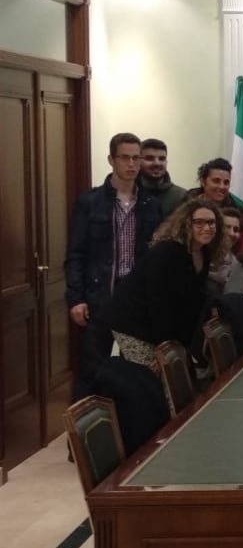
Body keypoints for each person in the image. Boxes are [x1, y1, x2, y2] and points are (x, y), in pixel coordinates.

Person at [65, 132, 163, 396]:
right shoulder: (90, 202)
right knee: (92, 367)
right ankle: (87, 432)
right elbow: (76, 253)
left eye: (136, 158)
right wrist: (75, 297)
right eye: (125, 158)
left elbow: (155, 255)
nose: (132, 164)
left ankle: (133, 426)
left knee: (137, 367)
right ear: (111, 160)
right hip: (100, 294)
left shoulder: (151, 204)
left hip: (135, 296)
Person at [105, 199, 225, 366]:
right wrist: (166, 346)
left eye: (211, 223)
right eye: (199, 222)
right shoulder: (167, 252)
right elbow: (158, 302)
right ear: (186, 224)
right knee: (152, 377)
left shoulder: (203, 252)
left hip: (158, 320)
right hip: (132, 320)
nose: (207, 228)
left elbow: (191, 302)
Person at [138, 138, 187, 217]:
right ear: (138, 161)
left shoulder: (181, 196)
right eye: (150, 158)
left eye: (162, 159)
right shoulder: (129, 193)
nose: (157, 163)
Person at [208, 206, 243, 294]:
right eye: (226, 227)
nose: (232, 233)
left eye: (236, 230)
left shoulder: (236, 266)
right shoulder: (198, 255)